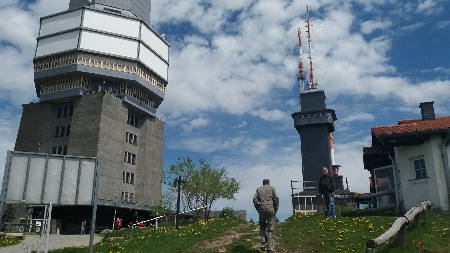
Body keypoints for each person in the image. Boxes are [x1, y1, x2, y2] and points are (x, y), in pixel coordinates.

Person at [253, 179, 279, 253]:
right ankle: (270, 248)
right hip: (270, 209)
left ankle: (263, 242)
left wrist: (257, 207)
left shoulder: (259, 189)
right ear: (268, 183)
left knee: (262, 226)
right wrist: (276, 208)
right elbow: (276, 198)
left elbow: (254, 199)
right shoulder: (272, 188)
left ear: (263, 183)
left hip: (261, 209)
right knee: (270, 229)